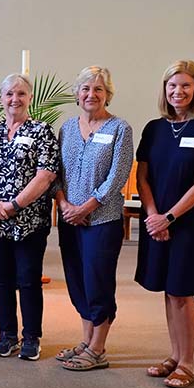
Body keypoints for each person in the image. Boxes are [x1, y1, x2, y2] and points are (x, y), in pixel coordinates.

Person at [134, 60, 194, 388]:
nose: (178, 91)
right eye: (172, 86)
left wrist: (170, 217)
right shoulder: (154, 128)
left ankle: (188, 362)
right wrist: (154, 215)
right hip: (157, 220)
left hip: (188, 222)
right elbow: (142, 177)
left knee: (182, 292)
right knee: (168, 292)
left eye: (185, 85)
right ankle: (174, 355)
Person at [0, 74, 59, 362]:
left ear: (29, 98)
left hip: (29, 221)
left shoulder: (42, 131)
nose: (14, 99)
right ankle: (6, 335)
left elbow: (46, 175)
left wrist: (15, 205)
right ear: (1, 98)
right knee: (0, 280)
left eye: (20, 94)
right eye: (9, 94)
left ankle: (31, 337)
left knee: (28, 280)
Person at [54, 66, 134, 371]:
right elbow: (57, 174)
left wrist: (85, 208)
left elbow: (118, 176)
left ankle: (98, 348)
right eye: (86, 89)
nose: (91, 94)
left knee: (98, 280)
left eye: (98, 89)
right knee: (77, 279)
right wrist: (64, 205)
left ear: (108, 95)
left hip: (102, 219)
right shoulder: (67, 129)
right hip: (68, 218)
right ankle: (86, 342)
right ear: (77, 94)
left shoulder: (119, 129)